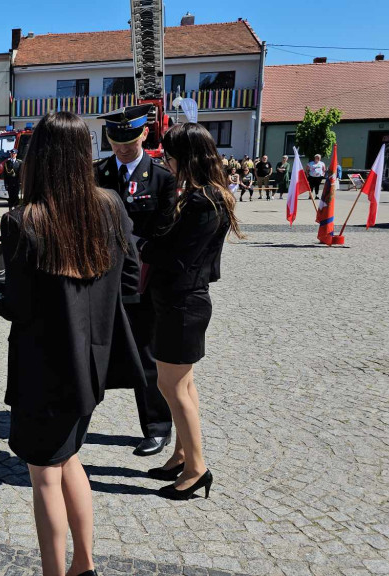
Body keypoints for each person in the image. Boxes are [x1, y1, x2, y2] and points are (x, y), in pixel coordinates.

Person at [0, 111, 137, 576]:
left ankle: (56, 572)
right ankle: (83, 565)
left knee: (45, 473)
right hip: (93, 360)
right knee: (69, 459)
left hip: (43, 366)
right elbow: (131, 280)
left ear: (39, 158)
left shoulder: (24, 219)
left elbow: (19, 305)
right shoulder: (110, 204)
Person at [145, 122, 244, 500]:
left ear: (187, 157)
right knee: (182, 384)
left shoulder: (204, 201)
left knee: (171, 385)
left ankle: (196, 468)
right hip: (182, 301)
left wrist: (145, 246)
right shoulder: (208, 195)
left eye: (169, 157)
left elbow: (176, 256)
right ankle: (183, 454)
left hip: (183, 302)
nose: (167, 163)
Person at [94, 104, 176, 457]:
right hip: (100, 278)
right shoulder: (97, 173)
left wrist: (129, 244)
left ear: (144, 133)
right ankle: (76, 418)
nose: (123, 148)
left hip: (141, 281)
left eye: (129, 141)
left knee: (146, 355)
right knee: (92, 349)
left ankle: (157, 426)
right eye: (116, 141)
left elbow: (165, 232)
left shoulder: (161, 178)